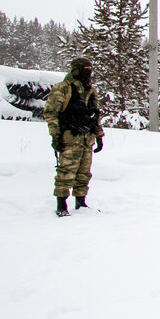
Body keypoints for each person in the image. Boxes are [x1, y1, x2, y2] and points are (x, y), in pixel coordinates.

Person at [43, 56, 104, 217]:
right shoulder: (63, 88)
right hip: (70, 136)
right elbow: (51, 113)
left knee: (84, 173)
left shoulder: (90, 90)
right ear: (76, 70)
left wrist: (99, 135)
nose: (89, 73)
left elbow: (94, 114)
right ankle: (61, 205)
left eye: (90, 70)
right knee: (66, 172)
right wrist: (55, 135)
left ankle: (81, 203)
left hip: (86, 137)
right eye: (85, 70)